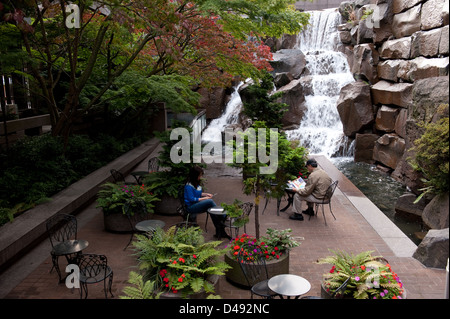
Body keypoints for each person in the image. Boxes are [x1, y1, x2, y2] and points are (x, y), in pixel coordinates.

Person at [184, 166, 231, 239]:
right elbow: (192, 199)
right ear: (194, 175)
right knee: (210, 201)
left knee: (211, 209)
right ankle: (223, 216)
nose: (201, 177)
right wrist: (205, 198)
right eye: (199, 175)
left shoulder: (196, 183)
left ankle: (219, 230)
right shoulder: (188, 186)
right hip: (191, 207)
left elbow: (198, 194)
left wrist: (206, 194)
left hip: (197, 204)